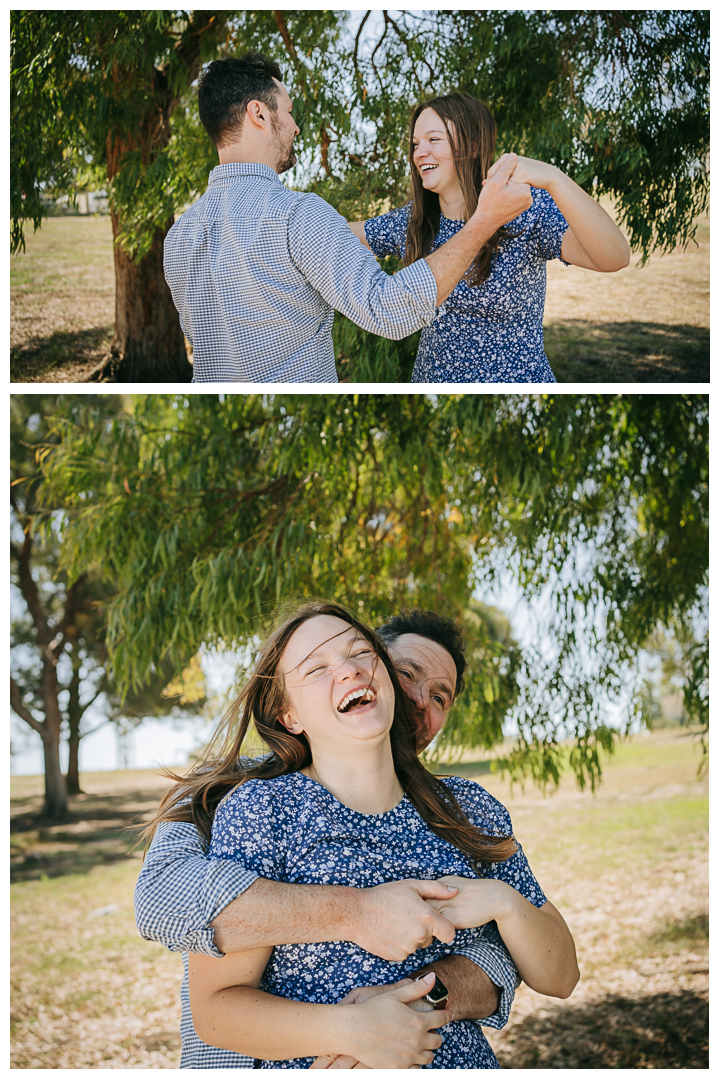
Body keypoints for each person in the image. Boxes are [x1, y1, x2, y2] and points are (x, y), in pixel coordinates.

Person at [141, 602, 579, 1067]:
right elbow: (165, 909)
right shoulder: (253, 802)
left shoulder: (466, 808)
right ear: (290, 715)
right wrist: (355, 1029)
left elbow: (560, 973)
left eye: (440, 697)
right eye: (408, 674)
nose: (418, 702)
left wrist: (502, 901)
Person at [163, 54, 534, 383]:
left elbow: (201, 342)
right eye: (288, 111)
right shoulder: (298, 215)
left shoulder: (178, 237)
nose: (295, 126)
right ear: (258, 113)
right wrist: (483, 221)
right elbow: (389, 311)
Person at [348, 91, 631, 382]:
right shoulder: (415, 222)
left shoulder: (523, 208)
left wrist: (553, 178)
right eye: (415, 144)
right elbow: (333, 237)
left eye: (434, 140)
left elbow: (614, 257)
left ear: (472, 145)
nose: (419, 153)